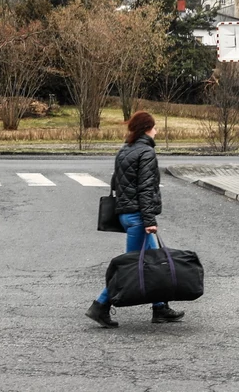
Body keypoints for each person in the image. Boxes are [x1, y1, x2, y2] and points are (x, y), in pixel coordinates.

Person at [86, 111, 185, 328]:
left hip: (125, 214)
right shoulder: (146, 152)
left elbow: (117, 183)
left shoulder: (125, 150)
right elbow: (146, 189)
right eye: (155, 127)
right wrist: (149, 220)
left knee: (152, 261)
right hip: (139, 217)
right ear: (147, 129)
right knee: (130, 265)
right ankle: (100, 305)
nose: (157, 131)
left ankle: (160, 308)